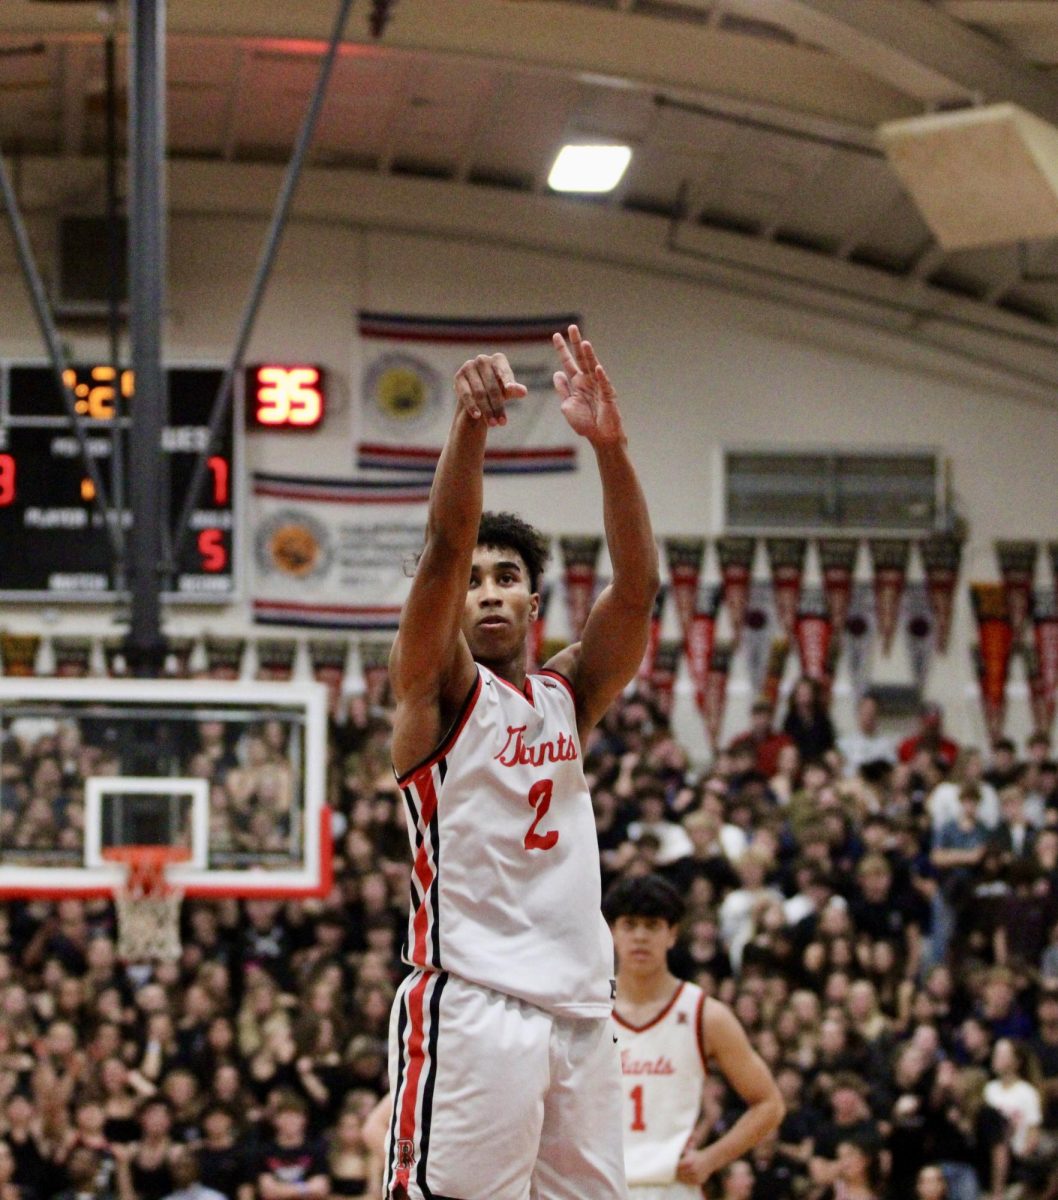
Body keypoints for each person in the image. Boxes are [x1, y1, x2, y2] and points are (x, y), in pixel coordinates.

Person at [383, 326, 660, 1200]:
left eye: (506, 577)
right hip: (475, 1005)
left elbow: (639, 589)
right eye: (474, 581)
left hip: (581, 1014)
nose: (488, 589)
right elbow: (441, 546)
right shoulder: (434, 696)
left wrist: (611, 450)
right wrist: (469, 427)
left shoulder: (566, 694)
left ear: (535, 601)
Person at [604, 874, 784, 1199]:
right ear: (613, 932)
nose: (640, 936)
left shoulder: (705, 1014)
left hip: (672, 1186)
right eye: (630, 925)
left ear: (672, 934)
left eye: (652, 925)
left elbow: (769, 1103)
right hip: (601, 1186)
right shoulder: (589, 1009)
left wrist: (710, 1159)